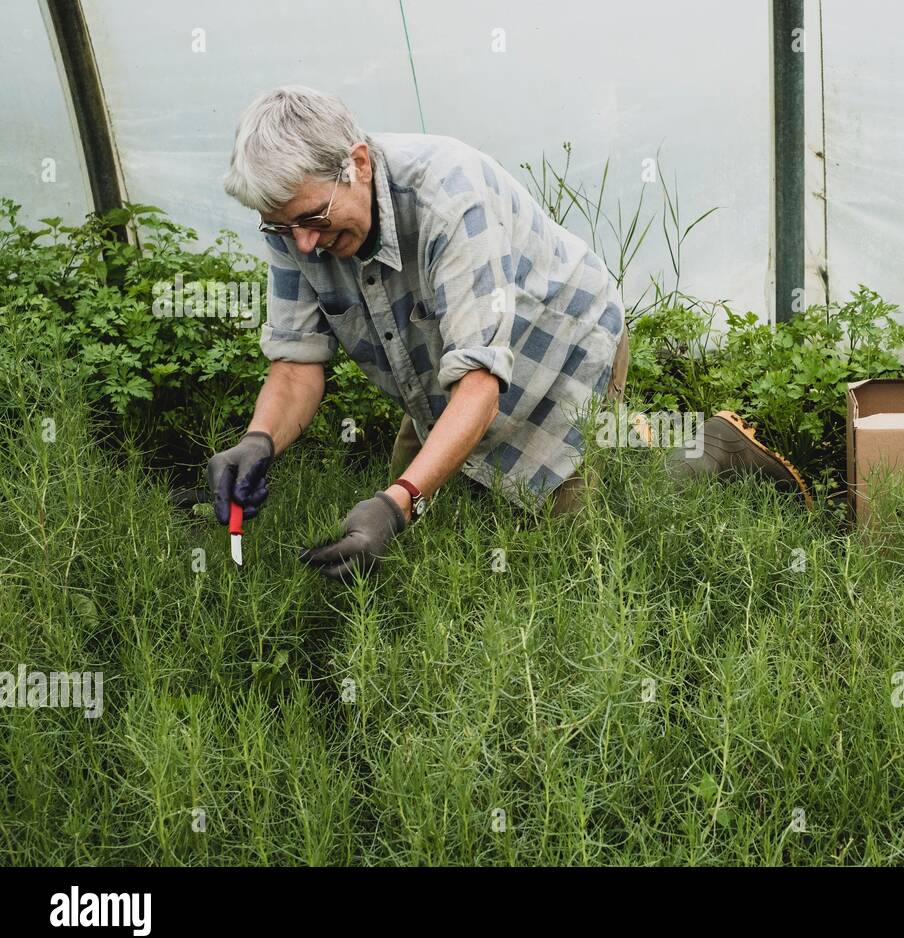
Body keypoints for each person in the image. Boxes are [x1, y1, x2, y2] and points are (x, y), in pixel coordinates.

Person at [207, 85, 808, 583]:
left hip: (559, 349)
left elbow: (478, 384)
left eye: (311, 220)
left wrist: (397, 502)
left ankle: (711, 450)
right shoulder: (294, 220)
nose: (303, 243)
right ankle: (631, 435)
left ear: (357, 164)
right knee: (437, 534)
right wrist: (259, 441)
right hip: (447, 367)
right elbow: (296, 363)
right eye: (283, 228)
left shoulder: (449, 198)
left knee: (576, 551)